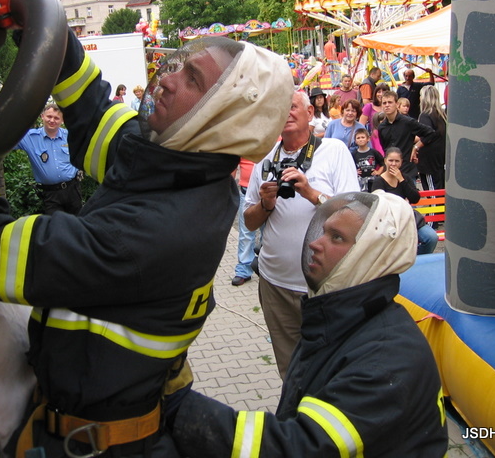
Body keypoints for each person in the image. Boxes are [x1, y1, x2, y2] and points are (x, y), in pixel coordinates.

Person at [0, 35, 295, 457]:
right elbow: (94, 116)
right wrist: (51, 37)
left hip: (97, 446)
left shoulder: (161, 229)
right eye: (180, 66)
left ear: (224, 117)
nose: (168, 79)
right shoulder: (177, 158)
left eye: (193, 79)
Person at [169, 192, 448, 457]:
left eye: (336, 237)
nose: (316, 243)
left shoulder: (386, 359)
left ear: (373, 254)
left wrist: (177, 408)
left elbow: (300, 447)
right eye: (323, 231)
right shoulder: (343, 319)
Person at [244, 91, 359, 378]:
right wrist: (265, 204)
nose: (286, 113)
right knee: (291, 369)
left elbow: (354, 216)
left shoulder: (333, 151)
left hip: (324, 286)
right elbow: (248, 222)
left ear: (310, 113)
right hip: (275, 284)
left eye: (292, 106)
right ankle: (294, 406)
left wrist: (311, 193)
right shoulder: (265, 158)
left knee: (329, 367)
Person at [15, 104, 82, 215]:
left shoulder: (70, 136)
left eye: (56, 118)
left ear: (62, 120)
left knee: (77, 222)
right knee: (56, 224)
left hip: (72, 190)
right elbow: (5, 144)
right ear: (42, 116)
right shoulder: (30, 138)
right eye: (49, 116)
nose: (52, 120)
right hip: (51, 194)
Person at [371, 147, 439, 255]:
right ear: (385, 161)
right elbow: (379, 206)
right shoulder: (379, 181)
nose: (393, 164)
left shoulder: (405, 178)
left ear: (401, 162)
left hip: (408, 217)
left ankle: (416, 258)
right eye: (390, 160)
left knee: (431, 237)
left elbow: (415, 198)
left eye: (397, 161)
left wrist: (401, 180)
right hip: (389, 221)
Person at [378, 90, 437, 181]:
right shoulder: (381, 127)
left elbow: (430, 133)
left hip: (407, 171)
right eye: (384, 103)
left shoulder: (408, 122)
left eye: (390, 102)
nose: (387, 105)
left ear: (397, 104)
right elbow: (385, 148)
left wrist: (416, 147)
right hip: (390, 172)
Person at [232, 158, 260, 286]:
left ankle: (265, 269)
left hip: (270, 192)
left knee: (269, 233)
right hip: (246, 192)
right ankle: (243, 270)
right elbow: (233, 163)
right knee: (246, 233)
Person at [417, 86, 447, 190]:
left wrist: (416, 147)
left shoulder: (425, 115)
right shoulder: (442, 115)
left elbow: (428, 134)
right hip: (440, 160)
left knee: (432, 190)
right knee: (439, 188)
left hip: (429, 162)